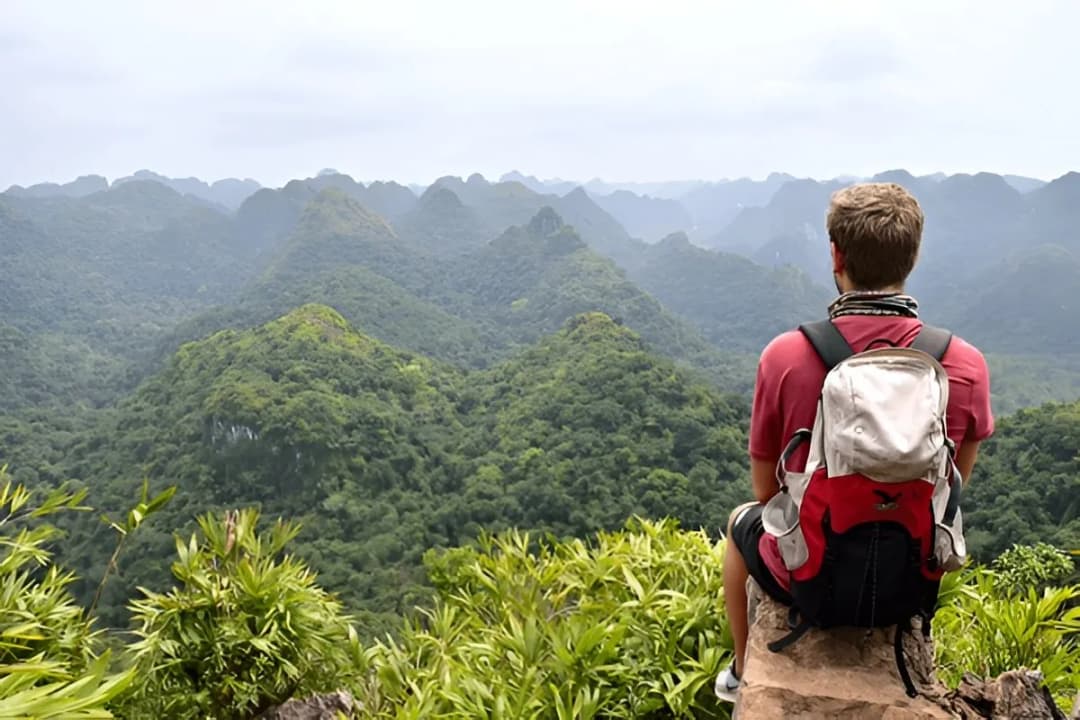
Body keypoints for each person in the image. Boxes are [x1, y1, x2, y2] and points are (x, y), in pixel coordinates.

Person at [714, 182, 994, 702]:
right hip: (907, 584)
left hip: (810, 577)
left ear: (836, 254)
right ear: (912, 257)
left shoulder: (786, 356)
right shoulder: (964, 365)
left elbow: (765, 491)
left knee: (738, 523)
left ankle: (739, 672)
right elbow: (954, 488)